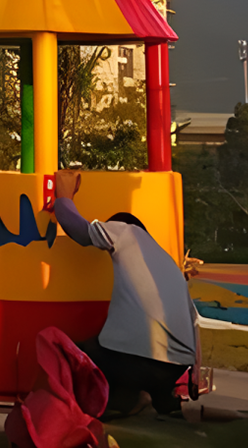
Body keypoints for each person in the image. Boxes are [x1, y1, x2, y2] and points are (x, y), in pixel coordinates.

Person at [53, 169, 200, 419]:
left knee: (74, 352)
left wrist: (63, 197)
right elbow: (194, 320)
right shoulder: (168, 262)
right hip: (178, 365)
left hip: (137, 360)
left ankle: (118, 401)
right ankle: (162, 400)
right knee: (128, 350)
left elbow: (79, 230)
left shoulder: (123, 231)